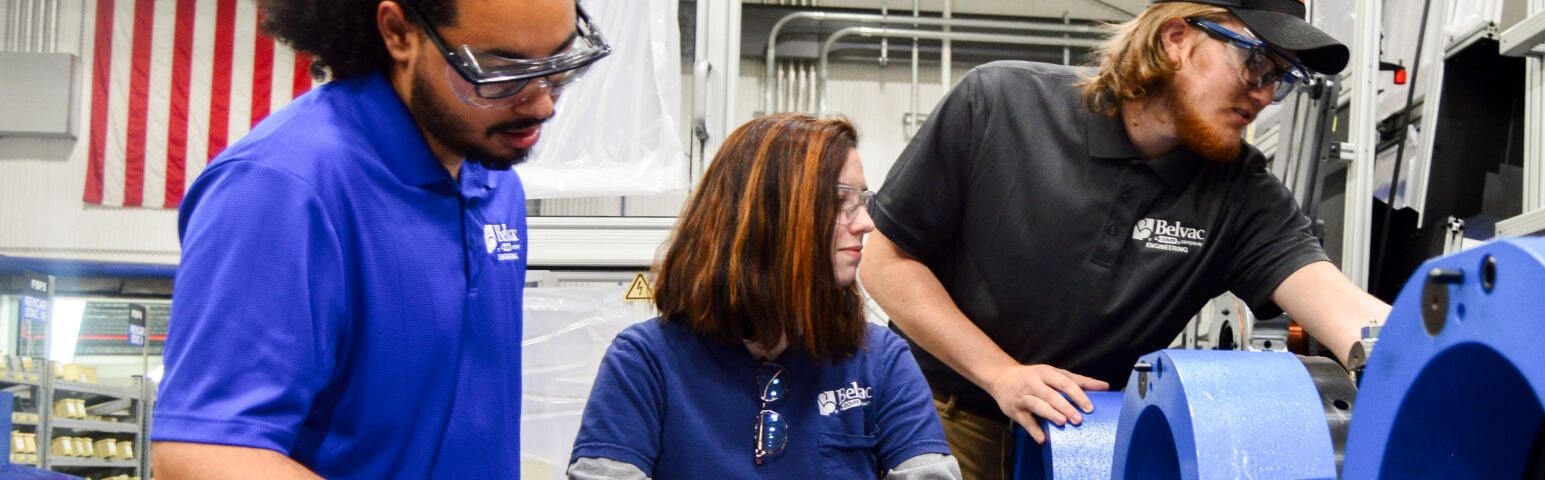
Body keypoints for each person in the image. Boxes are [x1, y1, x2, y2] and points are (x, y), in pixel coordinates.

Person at [858, 0, 1393, 477]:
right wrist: (1002, 374)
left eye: (1282, 76)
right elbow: (885, 261)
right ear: (1177, 39)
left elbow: (1343, 308)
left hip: (1085, 442)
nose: (1266, 94)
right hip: (946, 419)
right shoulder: (1000, 103)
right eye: (1255, 62)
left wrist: (1427, 350)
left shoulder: (1242, 192)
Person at [152, 0, 609, 477]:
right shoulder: (281, 188)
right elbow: (199, 455)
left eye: (559, 65)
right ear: (398, 33)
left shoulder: (494, 183)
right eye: (500, 70)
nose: (542, 103)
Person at [567, 114, 960, 480]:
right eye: (841, 202)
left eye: (863, 200)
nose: (866, 223)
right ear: (768, 215)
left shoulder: (881, 361)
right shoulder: (645, 362)